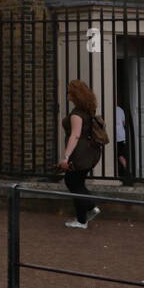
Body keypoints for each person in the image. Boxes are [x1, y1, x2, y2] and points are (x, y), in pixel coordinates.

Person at [58, 80, 108, 229]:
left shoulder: (76, 114)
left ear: (75, 94)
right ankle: (83, 217)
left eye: (69, 91)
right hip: (90, 152)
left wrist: (66, 156)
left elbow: (75, 135)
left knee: (72, 181)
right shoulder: (88, 111)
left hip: (80, 153)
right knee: (77, 183)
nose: (67, 94)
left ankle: (88, 211)